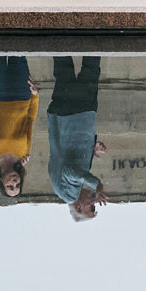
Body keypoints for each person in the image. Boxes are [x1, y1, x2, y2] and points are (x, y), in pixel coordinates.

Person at [48, 55, 107, 220]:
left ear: (79, 208)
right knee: (63, 66)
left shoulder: (69, 194)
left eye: (92, 207)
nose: (94, 201)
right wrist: (93, 148)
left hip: (75, 116)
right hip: (65, 116)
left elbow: (69, 171)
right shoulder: (66, 190)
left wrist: (97, 184)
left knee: (91, 66)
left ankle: (94, 31)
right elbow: (68, 159)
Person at [0, 54, 36, 200]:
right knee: (19, 52)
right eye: (18, 185)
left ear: (0, 182)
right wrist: (35, 96)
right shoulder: (23, 154)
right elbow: (30, 120)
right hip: (22, 96)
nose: (14, 182)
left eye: (10, 186)